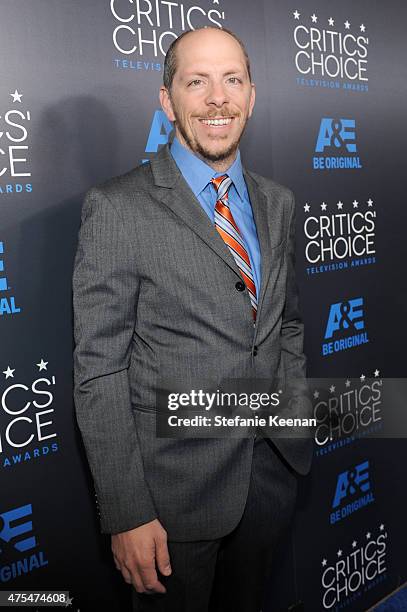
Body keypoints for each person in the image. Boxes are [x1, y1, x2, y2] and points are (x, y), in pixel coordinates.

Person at [72, 26, 312, 612]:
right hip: (171, 498)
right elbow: (99, 369)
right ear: (167, 99)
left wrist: (293, 421)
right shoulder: (117, 207)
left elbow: (286, 325)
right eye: (196, 81)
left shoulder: (276, 203)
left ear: (251, 95)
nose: (217, 98)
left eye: (232, 80)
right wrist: (128, 510)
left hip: (270, 473)